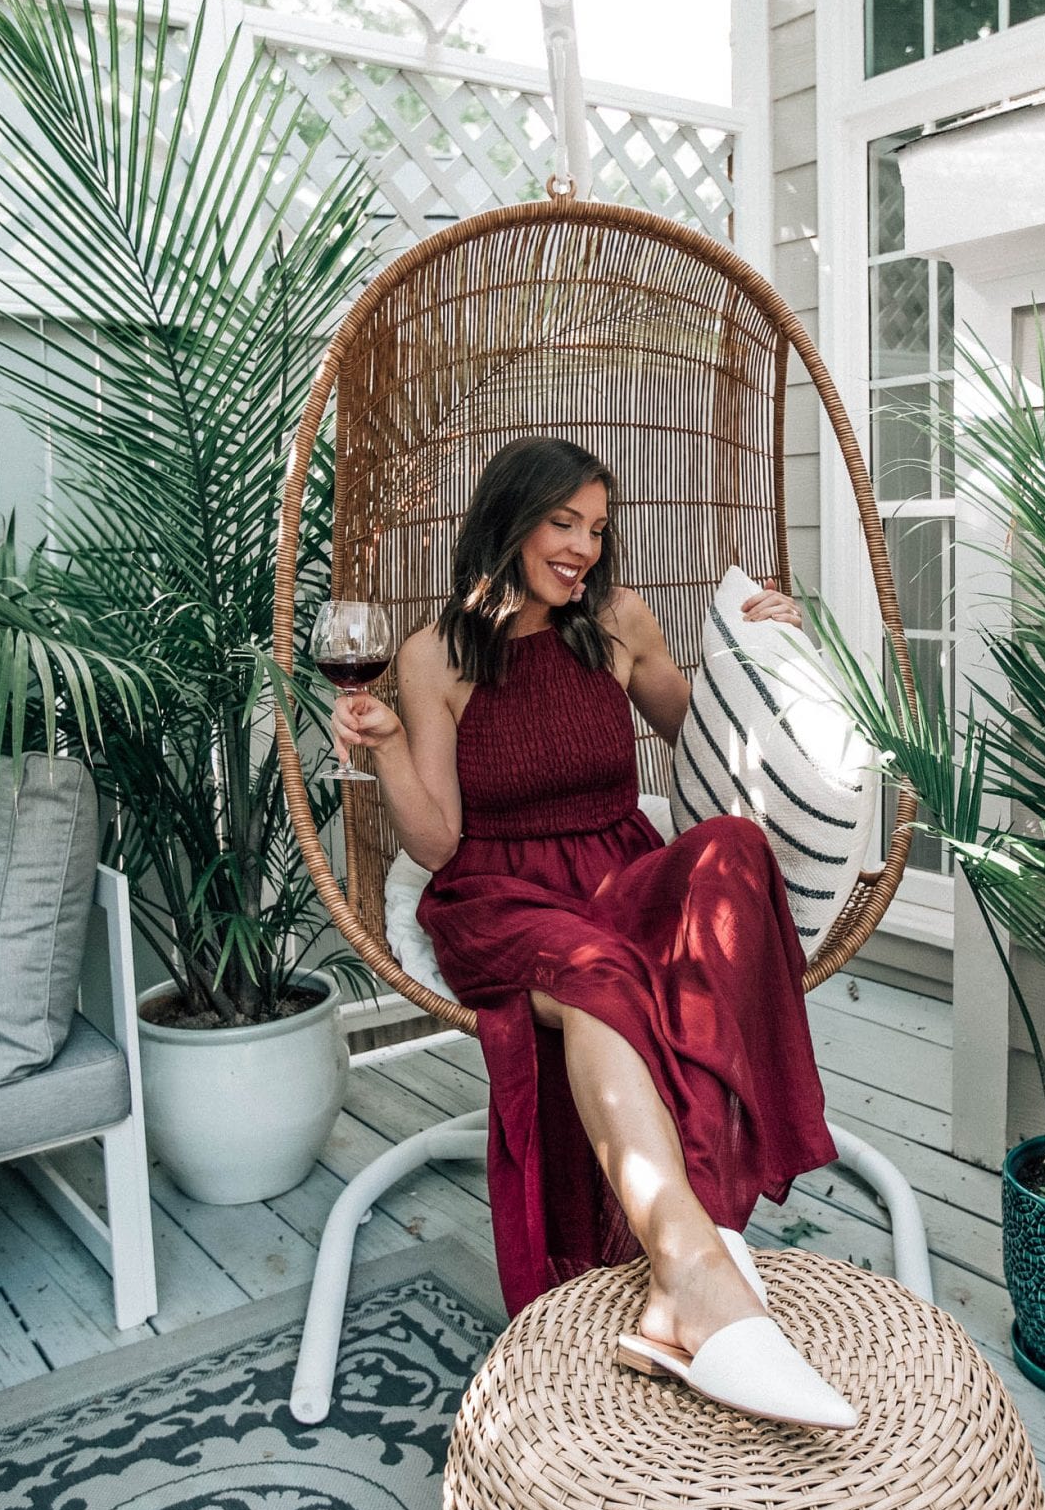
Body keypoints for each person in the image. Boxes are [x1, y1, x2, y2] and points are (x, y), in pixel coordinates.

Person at [331, 435, 856, 1429]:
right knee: (599, 968)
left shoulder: (617, 623)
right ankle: (693, 1270)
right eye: (563, 522)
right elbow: (437, 839)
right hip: (498, 889)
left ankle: (678, 1273)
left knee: (734, 846)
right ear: (508, 520)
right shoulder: (435, 654)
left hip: (616, 867)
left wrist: (788, 647)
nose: (582, 547)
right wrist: (392, 744)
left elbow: (723, 745)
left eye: (598, 527)